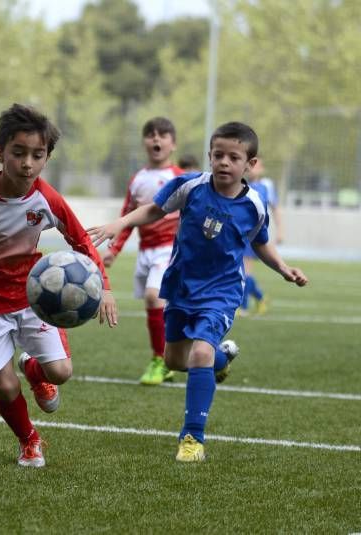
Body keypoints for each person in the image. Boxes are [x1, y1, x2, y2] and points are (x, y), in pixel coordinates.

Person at [89, 121, 308, 462]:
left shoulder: (254, 204)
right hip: (181, 285)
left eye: (233, 157)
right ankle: (223, 359)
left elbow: (261, 243)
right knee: (176, 360)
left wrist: (284, 269)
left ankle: (192, 438)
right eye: (218, 154)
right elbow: (155, 209)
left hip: (221, 292)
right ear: (209, 155)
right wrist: (121, 223)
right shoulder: (190, 187)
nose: (224, 162)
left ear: (249, 164)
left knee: (200, 354)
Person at [0, 103, 118, 468]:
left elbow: (80, 240)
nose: (28, 163)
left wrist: (105, 286)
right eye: (18, 153)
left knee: (61, 373)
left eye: (38, 155)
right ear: (0, 152)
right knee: (3, 385)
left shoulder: (47, 198)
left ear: (47, 157)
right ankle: (29, 439)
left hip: (34, 298)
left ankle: (34, 369)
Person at [103, 117, 184, 386]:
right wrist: (113, 250)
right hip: (146, 251)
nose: (156, 139)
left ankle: (160, 360)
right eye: (150, 135)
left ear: (173, 144)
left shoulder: (178, 177)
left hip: (170, 250)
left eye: (162, 135)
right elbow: (127, 216)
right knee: (161, 306)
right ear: (144, 142)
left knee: (153, 296)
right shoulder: (137, 179)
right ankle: (177, 358)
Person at [239, 156, 284, 316]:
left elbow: (275, 208)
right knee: (240, 271)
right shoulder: (240, 185)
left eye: (257, 166)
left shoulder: (266, 186)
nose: (253, 169)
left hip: (254, 234)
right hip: (239, 233)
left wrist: (280, 231)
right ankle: (260, 297)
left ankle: (243, 306)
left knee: (245, 271)